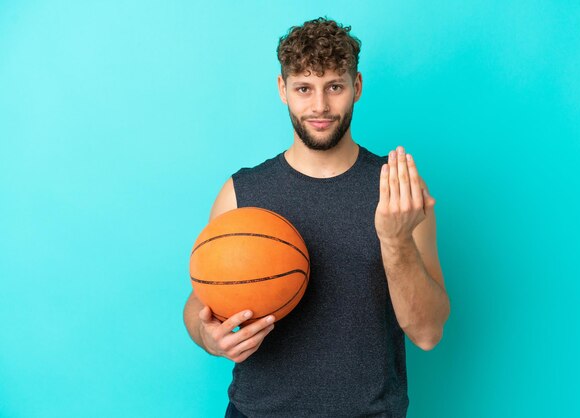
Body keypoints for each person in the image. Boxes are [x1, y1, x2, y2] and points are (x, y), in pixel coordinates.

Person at [183, 17, 451, 418]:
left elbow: (428, 333)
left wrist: (394, 241)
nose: (320, 106)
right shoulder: (242, 192)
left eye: (335, 87)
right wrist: (209, 336)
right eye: (304, 89)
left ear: (356, 87)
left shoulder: (398, 192)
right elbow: (197, 301)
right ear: (283, 90)